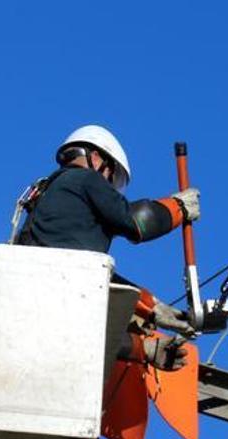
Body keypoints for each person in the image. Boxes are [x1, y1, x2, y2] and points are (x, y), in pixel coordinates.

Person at [15, 125, 200, 370]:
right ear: (96, 158)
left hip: (39, 310)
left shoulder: (50, 204)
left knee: (84, 332)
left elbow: (98, 282)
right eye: (110, 179)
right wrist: (177, 208)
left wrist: (154, 312)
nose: (108, 189)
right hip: (57, 296)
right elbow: (134, 222)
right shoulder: (84, 178)